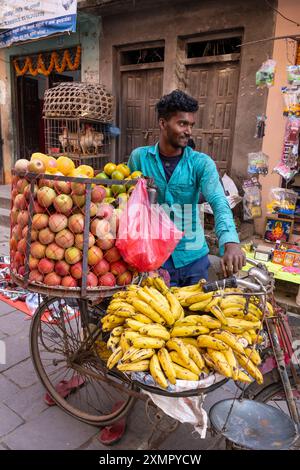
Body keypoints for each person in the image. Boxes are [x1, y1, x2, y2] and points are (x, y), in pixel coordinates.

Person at [128, 89, 245, 284]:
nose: (188, 131)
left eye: (191, 125)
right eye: (182, 123)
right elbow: (129, 204)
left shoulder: (201, 163)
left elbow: (218, 202)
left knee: (195, 313)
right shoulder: (139, 158)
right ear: (163, 123)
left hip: (193, 256)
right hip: (153, 258)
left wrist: (230, 241)